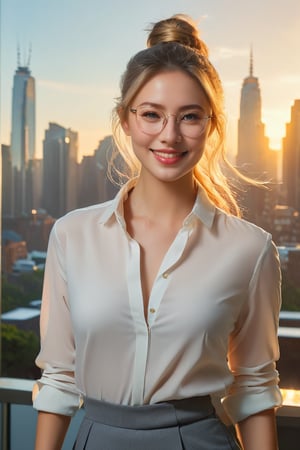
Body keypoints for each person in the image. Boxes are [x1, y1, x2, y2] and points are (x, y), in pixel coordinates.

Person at [33, 14, 282, 450]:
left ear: (211, 125)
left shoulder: (251, 249)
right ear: (125, 120)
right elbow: (57, 376)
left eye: (189, 117)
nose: (169, 136)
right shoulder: (71, 235)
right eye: (151, 114)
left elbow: (255, 388)